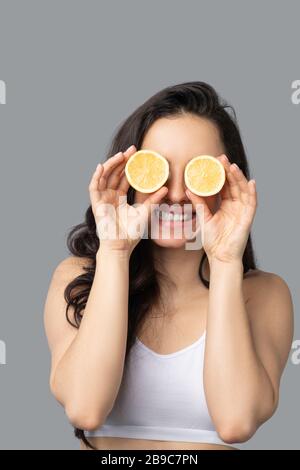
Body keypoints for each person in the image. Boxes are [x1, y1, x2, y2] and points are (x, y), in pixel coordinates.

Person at [44, 81, 294, 450]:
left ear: (228, 183)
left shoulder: (263, 294)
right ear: (128, 178)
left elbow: (236, 421)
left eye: (199, 172)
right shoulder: (80, 276)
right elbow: (85, 408)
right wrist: (114, 251)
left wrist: (226, 261)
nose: (176, 194)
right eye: (156, 170)